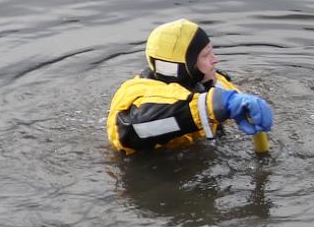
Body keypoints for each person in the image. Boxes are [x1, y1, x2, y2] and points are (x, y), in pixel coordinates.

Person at [106, 19, 274, 153]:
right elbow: (134, 129)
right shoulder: (135, 94)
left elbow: (233, 99)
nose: (215, 60)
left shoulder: (209, 81)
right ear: (186, 66)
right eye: (206, 55)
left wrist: (247, 105)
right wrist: (216, 106)